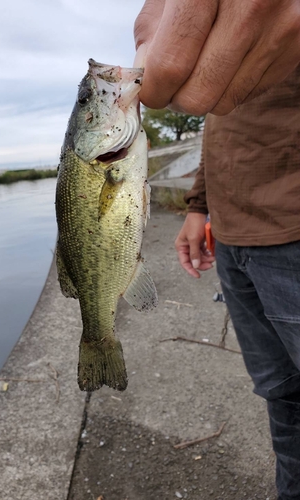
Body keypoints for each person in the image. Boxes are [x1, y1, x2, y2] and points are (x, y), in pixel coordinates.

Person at [134, 1, 300, 499]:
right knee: (283, 398)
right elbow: (219, 120)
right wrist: (198, 207)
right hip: (231, 237)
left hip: (291, 233)